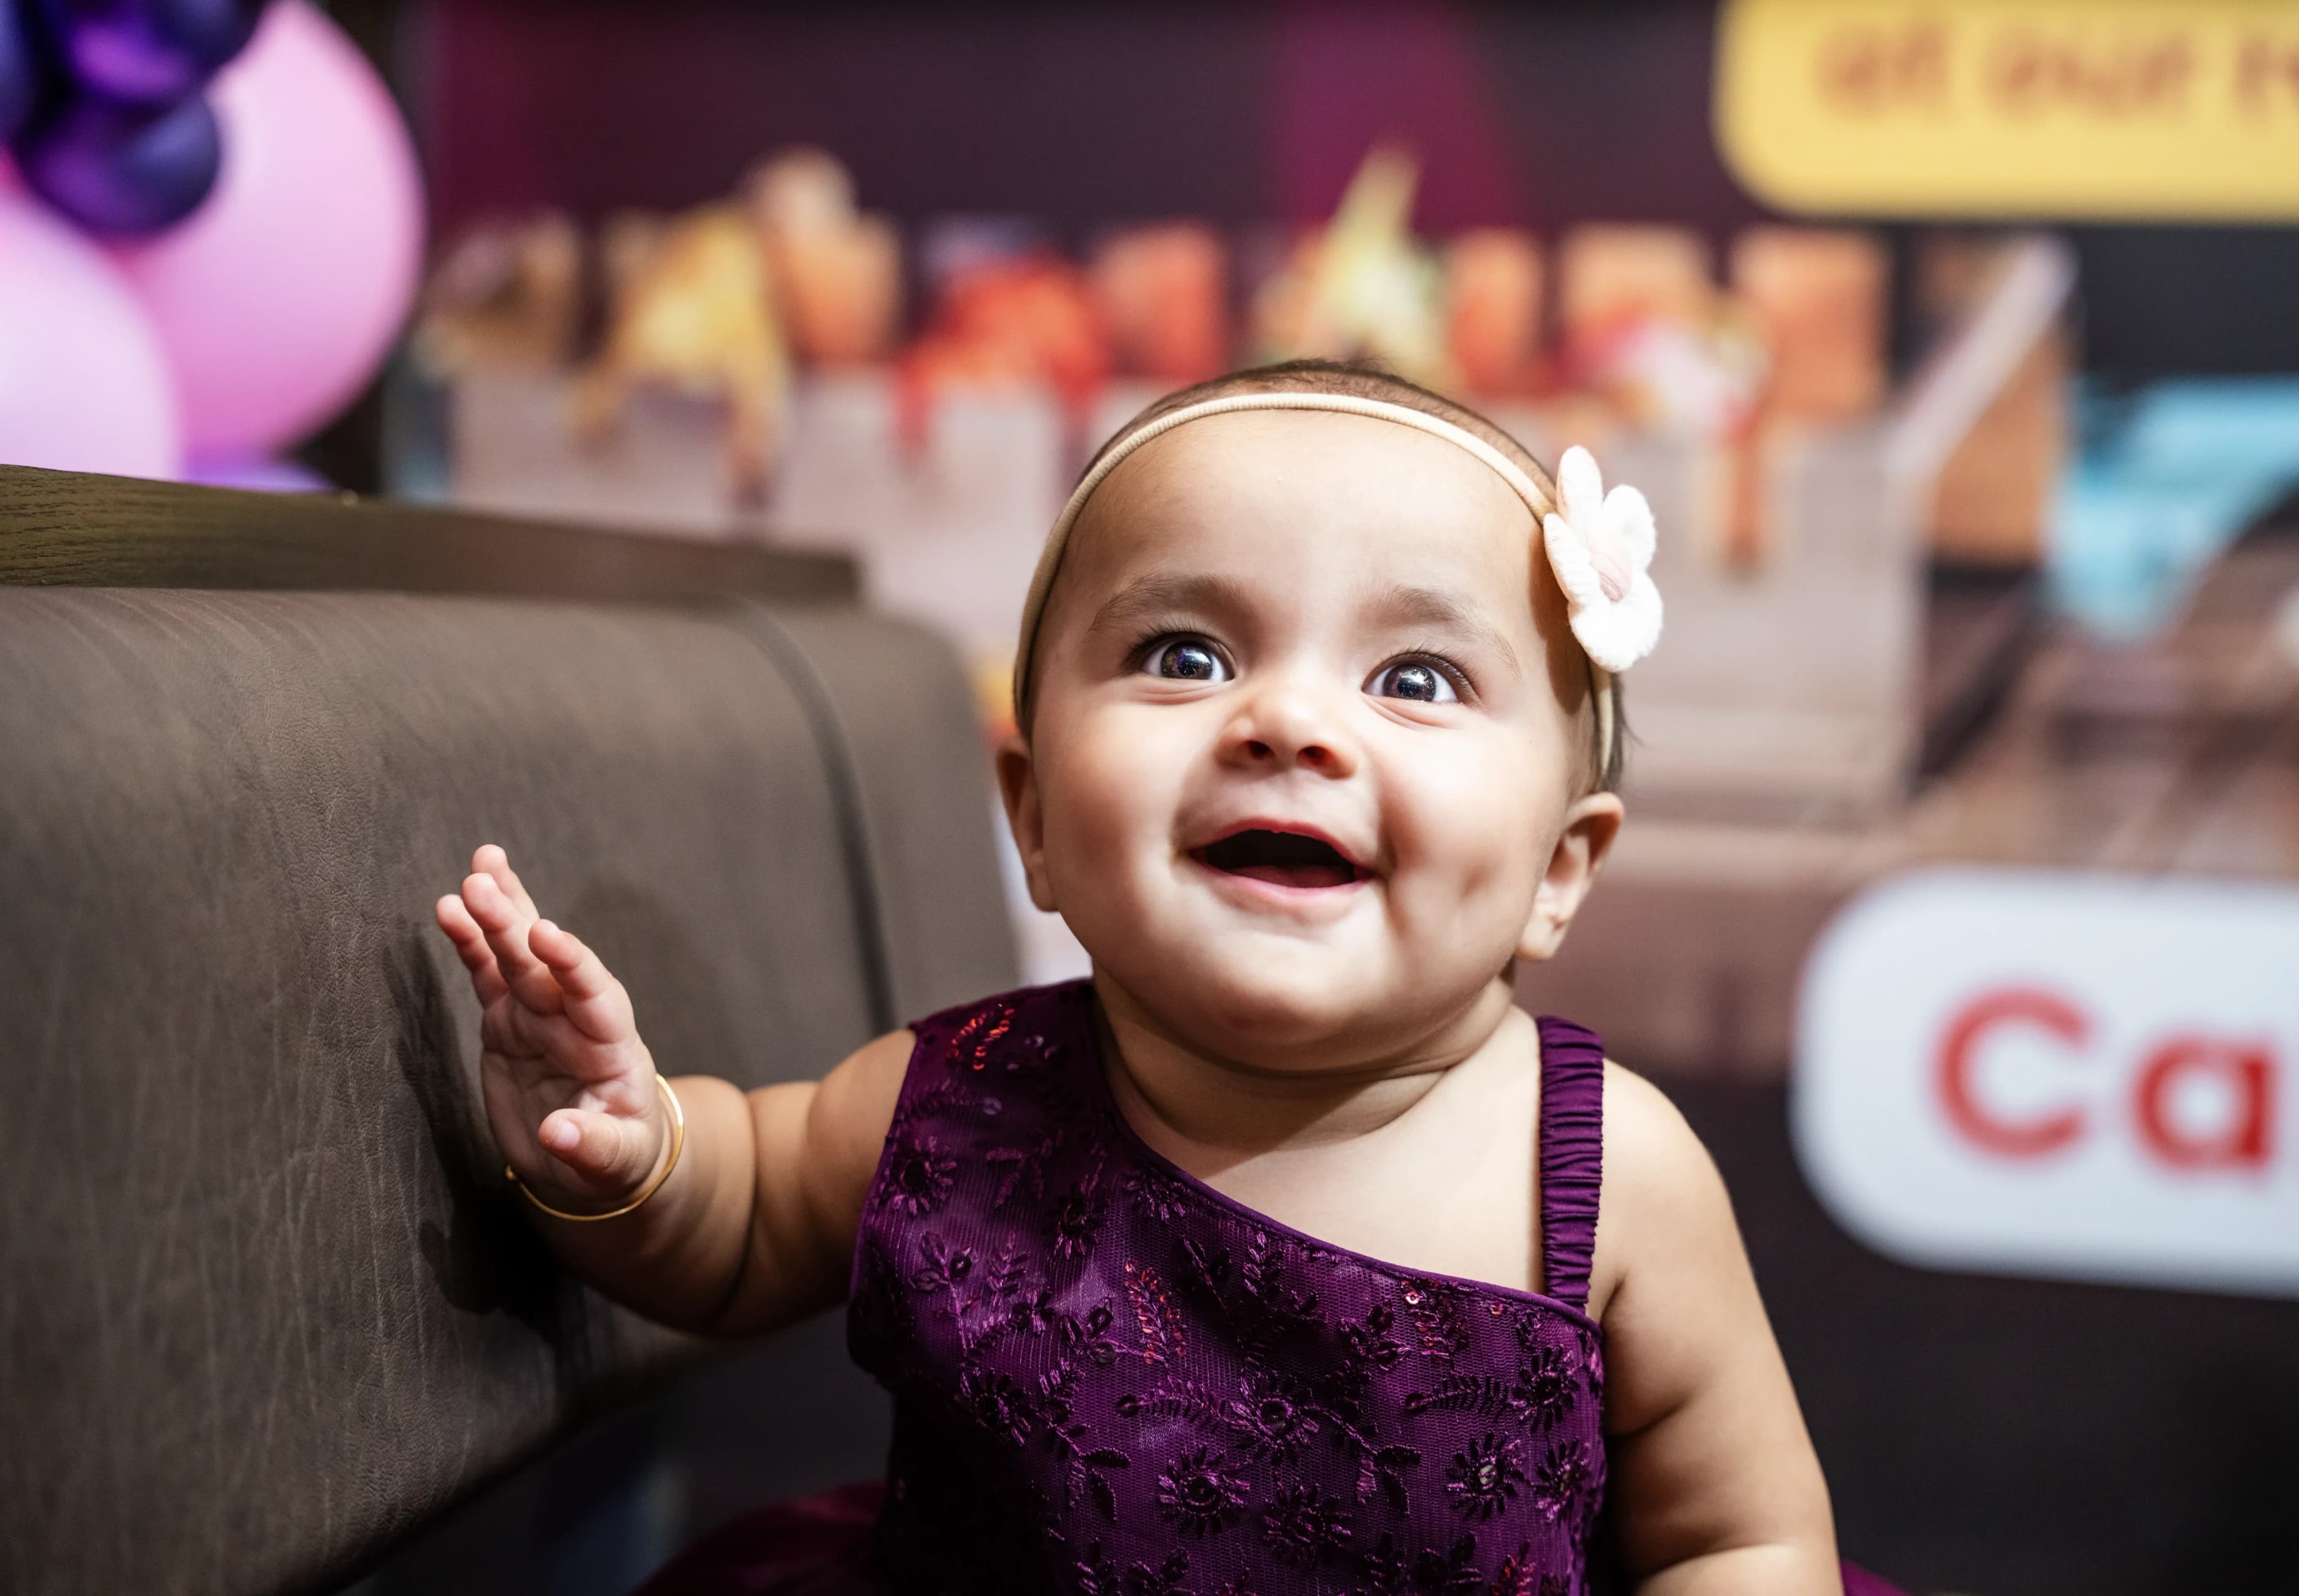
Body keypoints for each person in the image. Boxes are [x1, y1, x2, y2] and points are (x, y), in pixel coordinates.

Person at [436, 360, 1876, 1594]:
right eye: (1184, 652)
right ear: (1038, 819)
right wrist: (622, 1147)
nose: (1288, 718)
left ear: (1560, 869)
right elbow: (739, 1221)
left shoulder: (1614, 1174)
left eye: (1417, 678)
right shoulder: (957, 1106)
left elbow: (1737, 1534)